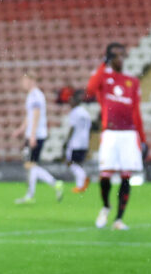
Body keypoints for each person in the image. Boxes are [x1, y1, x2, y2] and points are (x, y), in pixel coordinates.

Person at [85, 43, 147, 230]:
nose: (120, 59)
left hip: (128, 133)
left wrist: (142, 138)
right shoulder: (103, 77)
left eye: (122, 55)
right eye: (116, 56)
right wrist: (103, 65)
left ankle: (119, 219)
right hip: (110, 133)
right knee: (105, 176)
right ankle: (106, 206)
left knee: (126, 176)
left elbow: (136, 110)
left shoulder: (132, 81)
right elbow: (90, 89)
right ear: (110, 58)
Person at [12, 73, 64, 204]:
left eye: (24, 80)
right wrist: (21, 129)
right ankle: (30, 195)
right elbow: (29, 115)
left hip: (36, 135)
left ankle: (54, 183)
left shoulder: (36, 95)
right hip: (33, 134)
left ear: (31, 80)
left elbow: (36, 115)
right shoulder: (32, 95)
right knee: (30, 165)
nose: (22, 84)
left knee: (30, 165)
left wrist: (33, 135)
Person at [63, 93, 93, 193]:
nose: (69, 103)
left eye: (71, 101)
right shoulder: (85, 113)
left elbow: (72, 127)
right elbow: (90, 128)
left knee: (70, 163)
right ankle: (80, 185)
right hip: (84, 142)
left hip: (75, 142)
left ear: (75, 102)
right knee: (79, 164)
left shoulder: (74, 112)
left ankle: (83, 179)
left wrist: (67, 141)